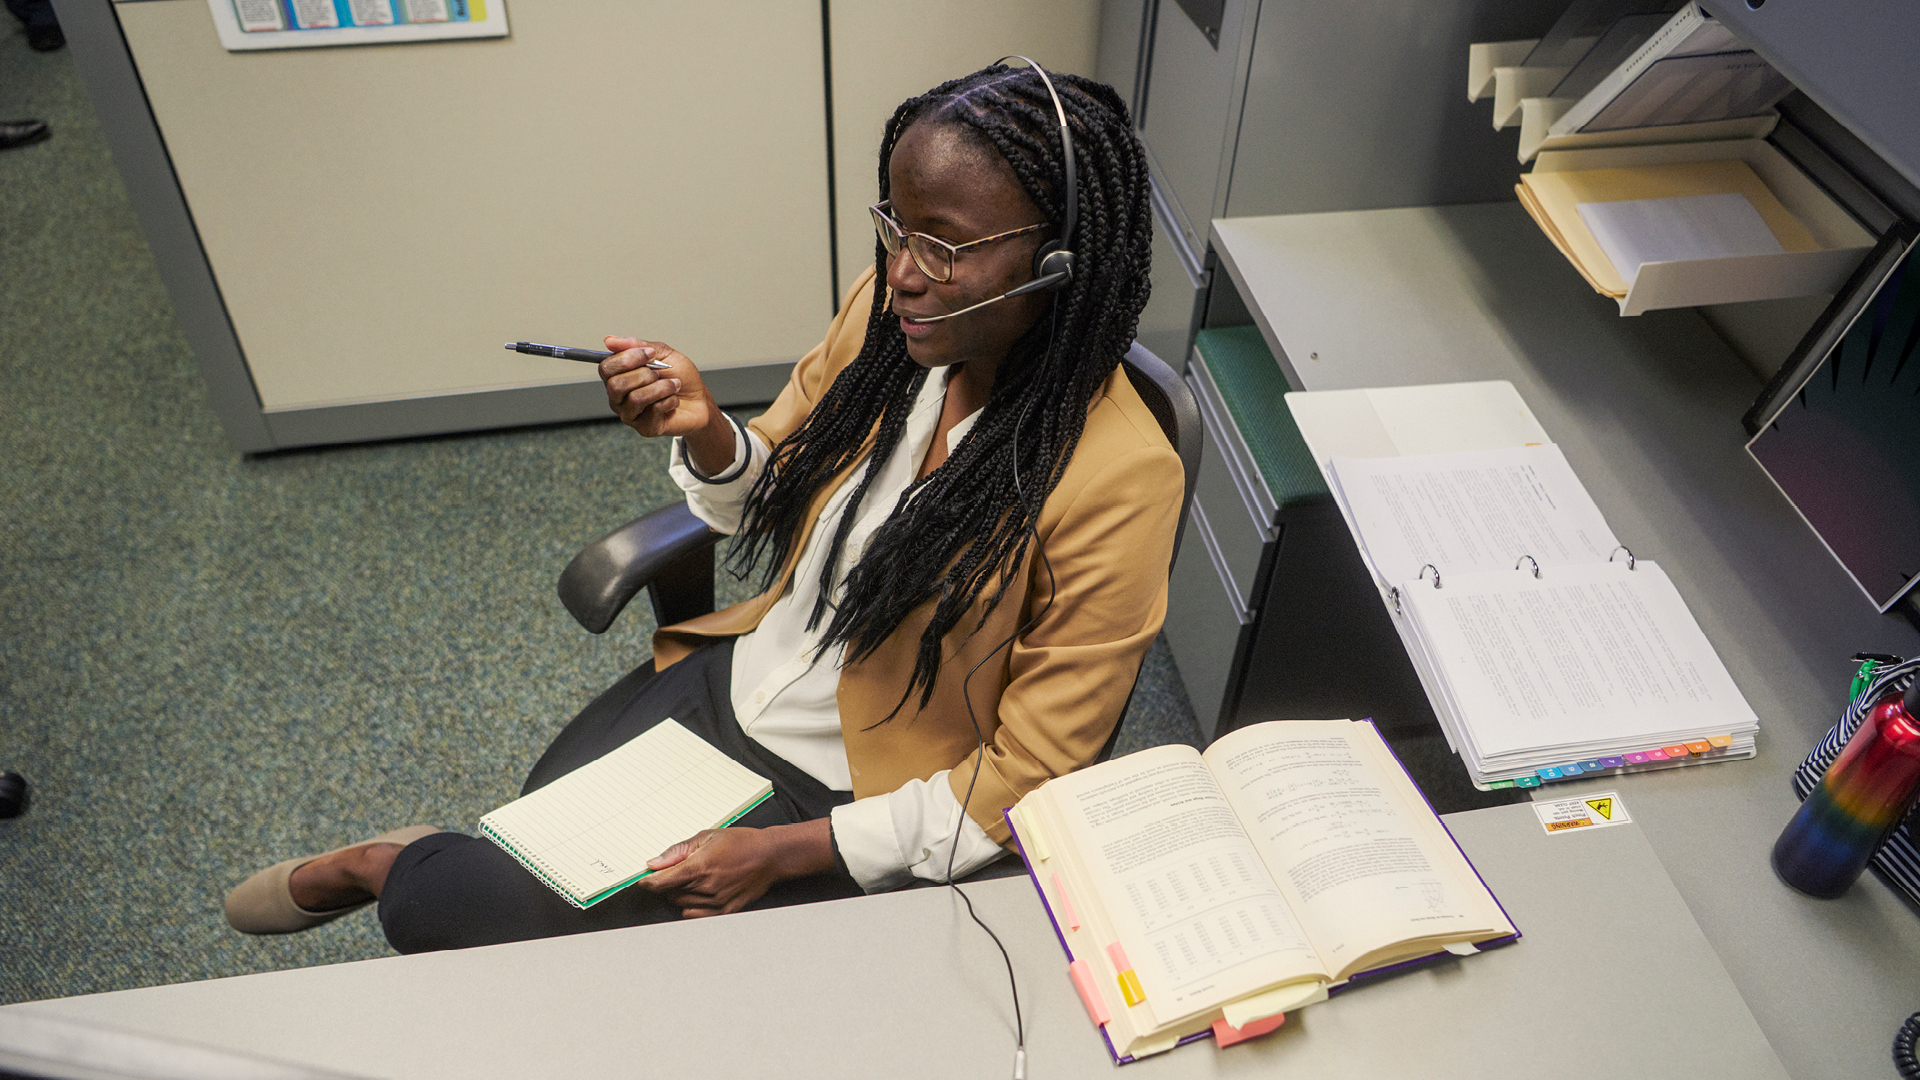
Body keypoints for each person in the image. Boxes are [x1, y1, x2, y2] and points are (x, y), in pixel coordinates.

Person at [225, 62, 1180, 952]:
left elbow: (1030, 776)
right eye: (898, 227)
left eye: (946, 245)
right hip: (741, 683)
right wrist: (710, 431)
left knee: (491, 924)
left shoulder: (1119, 477)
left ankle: (389, 863)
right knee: (530, 914)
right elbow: (777, 490)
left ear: (1060, 258)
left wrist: (788, 851)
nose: (903, 274)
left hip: (859, 791)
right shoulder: (897, 325)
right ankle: (414, 863)